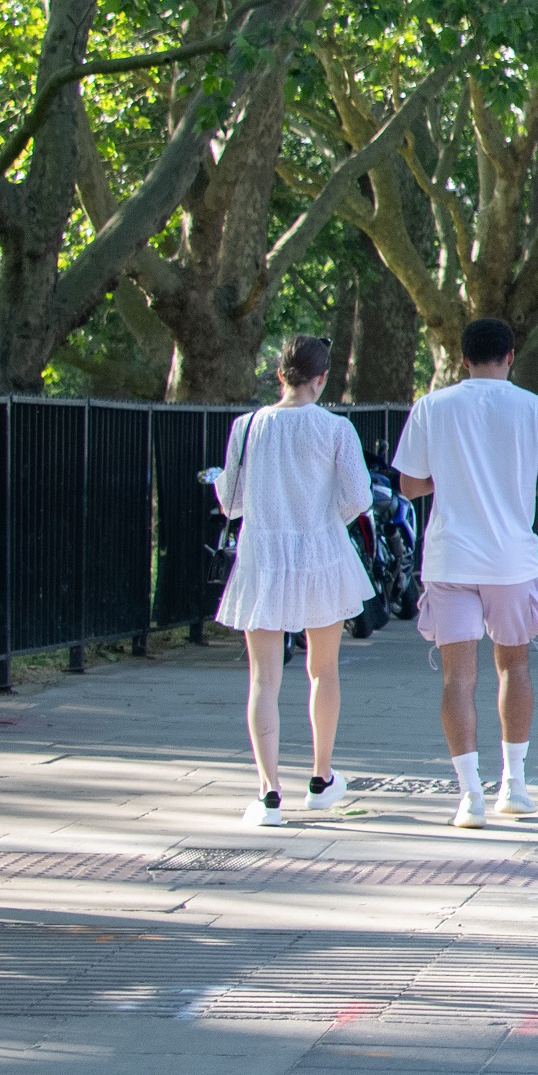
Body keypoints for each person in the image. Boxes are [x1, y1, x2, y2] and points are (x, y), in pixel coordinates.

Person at [390, 317, 538, 828]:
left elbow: (409, 486)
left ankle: (469, 795)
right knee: (513, 667)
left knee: (457, 677)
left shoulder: (432, 407)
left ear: (462, 357)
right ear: (511, 356)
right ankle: (514, 784)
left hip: (450, 557)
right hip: (510, 559)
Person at [212, 334, 374, 827]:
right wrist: (323, 521)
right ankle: (321, 779)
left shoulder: (248, 427)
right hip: (322, 556)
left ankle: (268, 793)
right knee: (323, 670)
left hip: (263, 555)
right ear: (322, 378)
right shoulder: (336, 430)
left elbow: (231, 502)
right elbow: (358, 497)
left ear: (280, 374)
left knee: (264, 677)